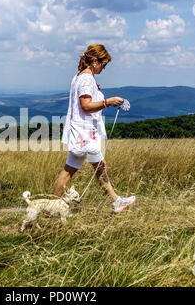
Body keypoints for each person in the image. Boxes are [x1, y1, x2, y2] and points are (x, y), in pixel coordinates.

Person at [52, 44, 136, 213]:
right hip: (85, 134)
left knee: (69, 172)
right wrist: (107, 102)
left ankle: (49, 208)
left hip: (80, 133)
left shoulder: (79, 76)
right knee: (98, 166)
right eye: (104, 64)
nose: (104, 68)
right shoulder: (86, 79)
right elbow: (86, 105)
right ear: (96, 61)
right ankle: (116, 202)